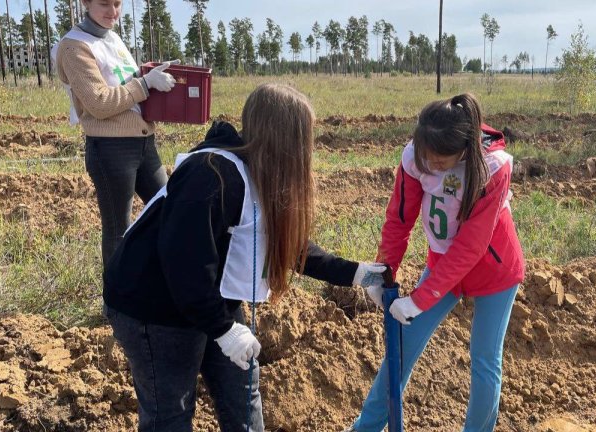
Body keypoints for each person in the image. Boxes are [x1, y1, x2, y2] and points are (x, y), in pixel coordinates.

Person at [103, 83, 387, 432]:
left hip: (207, 296)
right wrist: (223, 329)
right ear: (286, 138)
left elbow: (290, 244)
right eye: (305, 138)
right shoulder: (211, 175)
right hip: (153, 305)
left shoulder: (259, 173)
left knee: (242, 391)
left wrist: (358, 274)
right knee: (171, 411)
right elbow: (183, 262)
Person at [345, 93, 525, 432]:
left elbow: (471, 246)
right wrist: (383, 273)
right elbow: (400, 218)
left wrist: (419, 299)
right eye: (426, 155)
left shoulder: (493, 168)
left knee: (485, 360)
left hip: (493, 267)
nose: (432, 164)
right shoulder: (417, 156)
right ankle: (364, 429)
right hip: (444, 264)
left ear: (464, 151)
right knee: (401, 348)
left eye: (441, 160)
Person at [53, 0, 179, 266]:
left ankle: (153, 281)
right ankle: (115, 303)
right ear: (86, 3)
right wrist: (144, 83)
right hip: (111, 148)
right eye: (104, 4)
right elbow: (98, 102)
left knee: (169, 207)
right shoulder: (75, 46)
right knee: (118, 229)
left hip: (144, 145)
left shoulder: (112, 39)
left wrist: (149, 74)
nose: (113, 12)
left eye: (118, 3)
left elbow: (125, 83)